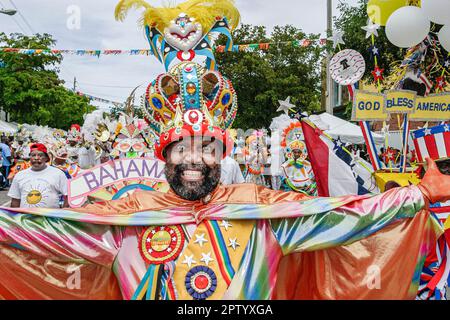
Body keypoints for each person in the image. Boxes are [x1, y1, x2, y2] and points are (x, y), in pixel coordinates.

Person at [0, 0, 449, 300]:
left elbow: (348, 214)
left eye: (206, 149)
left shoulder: (263, 208)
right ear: (165, 156)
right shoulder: (125, 215)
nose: (194, 159)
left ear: (222, 156)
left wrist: (419, 196)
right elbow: (37, 231)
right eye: (182, 150)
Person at [7, 143, 69, 208]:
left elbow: (69, 196)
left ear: (46, 158)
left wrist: (63, 213)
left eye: (40, 155)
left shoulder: (58, 173)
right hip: (26, 217)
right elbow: (15, 201)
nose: (36, 158)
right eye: (33, 155)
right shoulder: (19, 175)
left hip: (51, 217)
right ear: (30, 158)